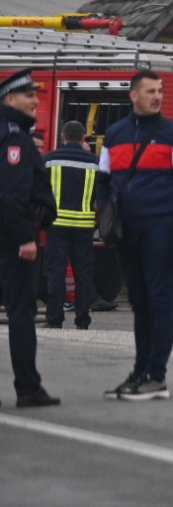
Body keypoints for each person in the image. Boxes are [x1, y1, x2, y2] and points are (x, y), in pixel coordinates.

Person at [100, 69, 173, 401]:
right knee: (138, 300)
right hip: (125, 229)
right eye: (150, 91)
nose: (157, 96)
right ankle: (140, 371)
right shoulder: (114, 135)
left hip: (160, 224)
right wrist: (102, 211)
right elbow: (103, 180)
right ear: (134, 96)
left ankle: (156, 376)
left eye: (160, 91)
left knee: (159, 299)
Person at [0, 70, 60, 406]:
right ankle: (28, 388)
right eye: (29, 96)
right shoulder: (15, 139)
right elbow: (11, 196)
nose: (36, 100)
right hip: (13, 242)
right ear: (11, 99)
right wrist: (25, 238)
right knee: (22, 315)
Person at [42, 120, 104, 329]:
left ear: (63, 137)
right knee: (83, 275)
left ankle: (54, 319)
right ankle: (83, 320)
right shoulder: (95, 163)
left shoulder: (49, 160)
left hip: (57, 225)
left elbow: (38, 192)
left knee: (56, 273)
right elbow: (101, 198)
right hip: (84, 227)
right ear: (83, 138)